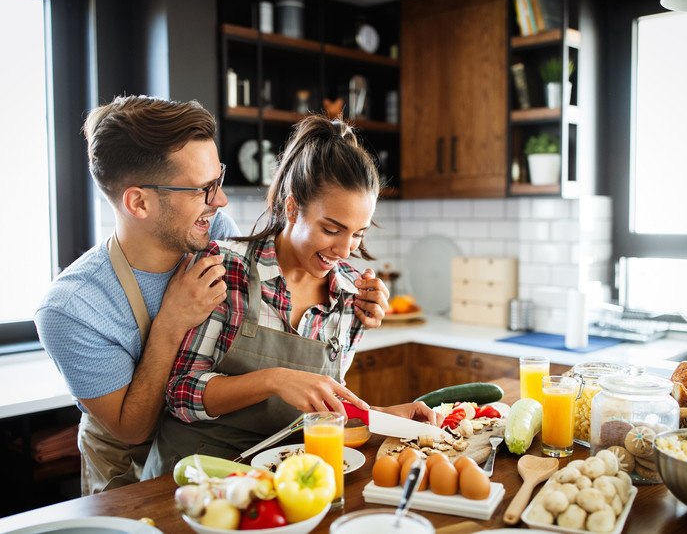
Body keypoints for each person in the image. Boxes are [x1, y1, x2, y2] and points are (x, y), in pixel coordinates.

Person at [142, 115, 440, 477]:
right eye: (332, 229)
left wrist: (387, 416)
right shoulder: (225, 269)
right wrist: (273, 379)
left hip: (288, 479)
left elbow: (322, 414)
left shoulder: (349, 295)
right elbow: (180, 394)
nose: (345, 250)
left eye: (359, 234)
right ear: (293, 208)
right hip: (196, 476)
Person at [34, 95, 240, 495]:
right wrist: (171, 321)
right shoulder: (71, 308)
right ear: (138, 202)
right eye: (204, 189)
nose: (220, 200)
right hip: (133, 487)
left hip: (219, 467)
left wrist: (351, 299)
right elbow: (132, 429)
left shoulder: (217, 233)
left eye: (219, 180)